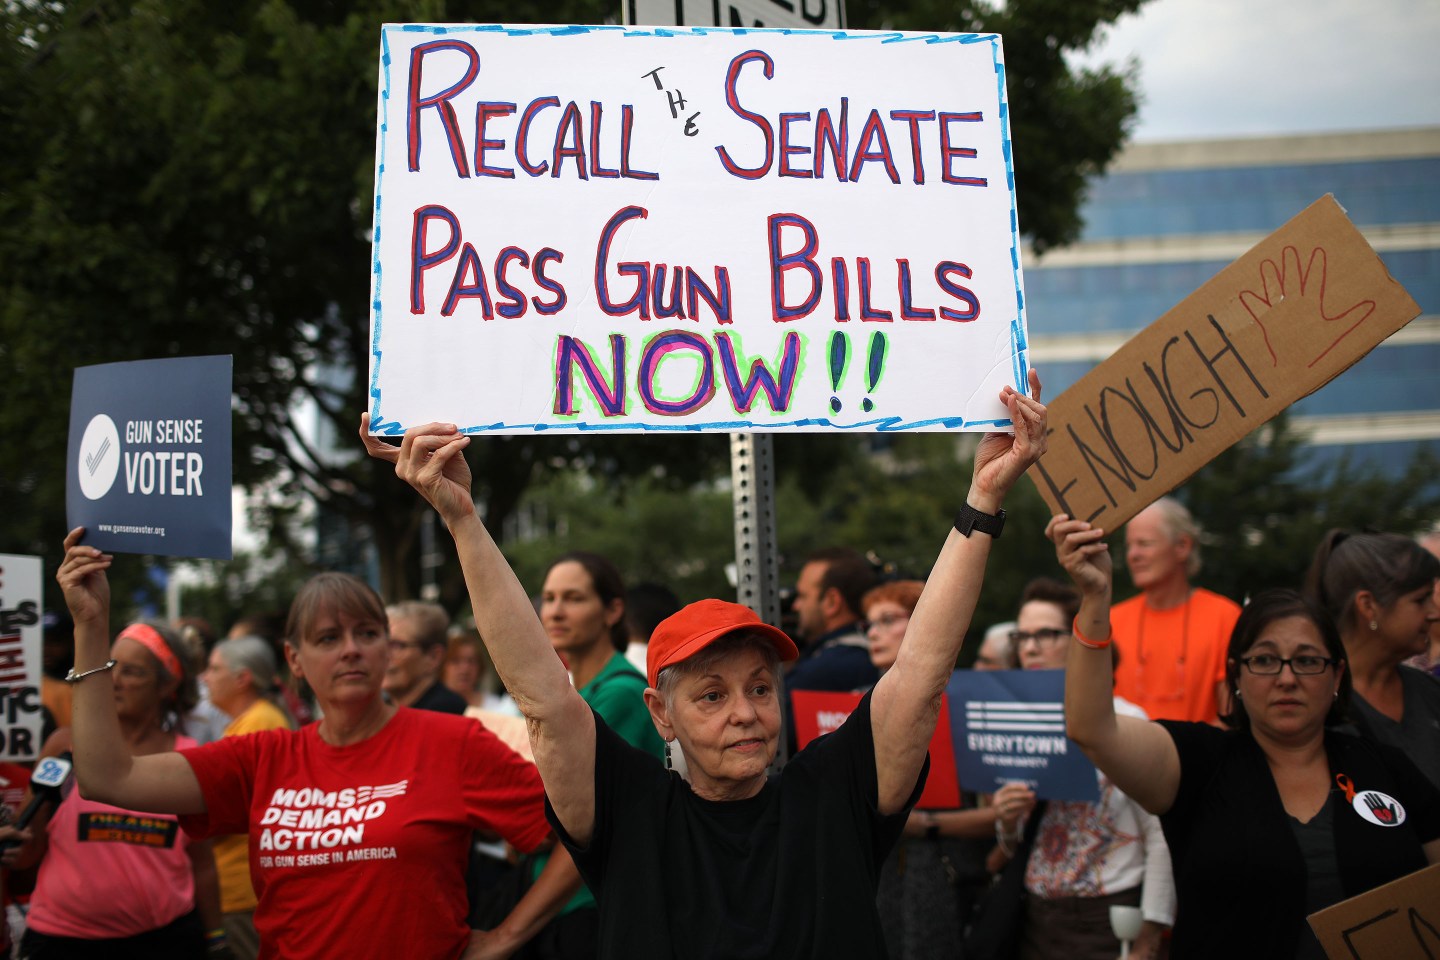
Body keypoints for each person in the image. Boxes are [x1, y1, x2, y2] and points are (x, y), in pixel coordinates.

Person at [361, 369, 1047, 958]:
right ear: (660, 713)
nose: (746, 712)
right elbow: (543, 694)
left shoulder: (831, 798)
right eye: (711, 696)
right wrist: (461, 520)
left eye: (758, 687)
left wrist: (983, 501)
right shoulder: (630, 813)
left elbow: (919, 676)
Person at [53, 531, 583, 960]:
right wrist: (91, 625)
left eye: (369, 633)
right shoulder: (262, 758)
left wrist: (507, 937)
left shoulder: (452, 742)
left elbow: (580, 831)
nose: (351, 650)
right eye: (328, 638)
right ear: (295, 660)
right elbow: (107, 777)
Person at [1050, 513, 1440, 959]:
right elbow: (1092, 729)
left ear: (1337, 677)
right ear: (1235, 675)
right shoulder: (1196, 764)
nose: (1287, 678)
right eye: (1265, 661)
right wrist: (1096, 598)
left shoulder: (1387, 768)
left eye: (1308, 660)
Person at [0, 618, 223, 958]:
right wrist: (14, 845)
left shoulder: (189, 758)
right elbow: (27, 853)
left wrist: (217, 938)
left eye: (133, 672)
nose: (115, 681)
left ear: (167, 685)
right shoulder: (65, 745)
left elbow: (203, 864)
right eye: (111, 667)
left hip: (163, 942)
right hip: (62, 943)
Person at [1005, 578, 1173, 960]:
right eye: (1022, 636)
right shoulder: (1014, 721)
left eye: (1046, 634)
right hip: (1036, 918)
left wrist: (1151, 930)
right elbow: (1017, 841)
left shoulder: (1127, 719)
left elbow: (1161, 833)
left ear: (1081, 636)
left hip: (1109, 920)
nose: (1030, 647)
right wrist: (1005, 819)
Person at [520, 551, 665, 957]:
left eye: (574, 598)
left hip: (589, 911)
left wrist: (505, 935)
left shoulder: (619, 693)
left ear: (613, 609)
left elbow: (579, 835)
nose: (556, 611)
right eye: (549, 598)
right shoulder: (580, 694)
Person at [862, 580, 1014, 960]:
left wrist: (927, 824)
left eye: (887, 620)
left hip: (947, 876)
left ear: (923, 620)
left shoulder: (962, 703)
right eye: (868, 624)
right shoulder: (859, 704)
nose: (873, 633)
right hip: (886, 877)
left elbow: (1004, 814)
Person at [1305, 529, 1440, 791]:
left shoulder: (1430, 693)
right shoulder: (1310, 703)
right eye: (1420, 600)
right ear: (1368, 606)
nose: (1434, 613)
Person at [201, 636, 293, 960]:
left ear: (243, 679)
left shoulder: (259, 724)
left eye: (214, 669)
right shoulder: (252, 721)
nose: (205, 677)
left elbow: (229, 811)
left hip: (242, 892)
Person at [1110, 497, 1240, 723]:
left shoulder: (1225, 617)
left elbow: (1232, 717)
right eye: (1129, 546)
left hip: (1201, 757)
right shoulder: (1110, 621)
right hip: (1122, 756)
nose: (1133, 555)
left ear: (1182, 547)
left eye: (1144, 543)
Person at [787, 546, 880, 693]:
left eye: (802, 596)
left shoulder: (814, 675)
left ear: (832, 602)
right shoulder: (883, 657)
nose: (795, 606)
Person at [386, 601, 469, 714]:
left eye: (397, 646)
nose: (385, 654)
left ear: (434, 657)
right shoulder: (377, 711)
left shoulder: (447, 713)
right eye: (382, 643)